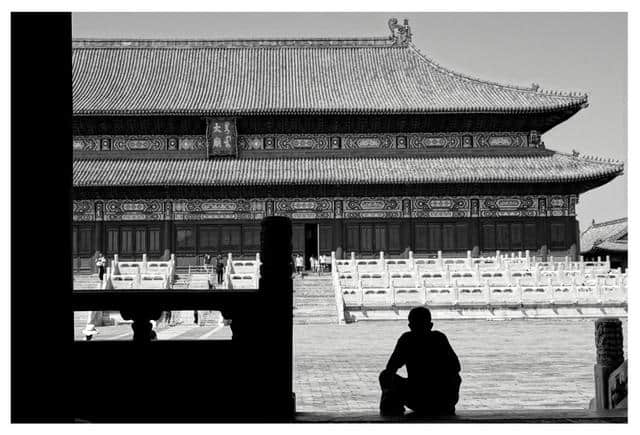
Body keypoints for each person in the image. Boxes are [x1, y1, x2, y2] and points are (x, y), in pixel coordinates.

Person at [379, 307, 461, 416]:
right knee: (455, 377)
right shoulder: (439, 338)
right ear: (430, 325)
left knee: (385, 376)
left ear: (410, 326)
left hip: (416, 397)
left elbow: (390, 369)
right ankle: (445, 405)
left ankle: (392, 405)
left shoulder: (407, 340)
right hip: (442, 399)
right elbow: (456, 367)